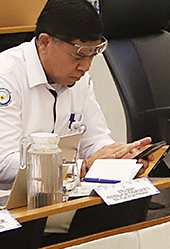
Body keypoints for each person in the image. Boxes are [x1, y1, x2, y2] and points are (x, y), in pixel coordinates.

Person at [0, 0, 150, 190]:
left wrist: (119, 156)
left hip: (62, 192)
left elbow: (95, 140)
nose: (86, 67)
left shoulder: (80, 79)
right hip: (11, 202)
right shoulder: (5, 77)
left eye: (92, 55)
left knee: (131, 197)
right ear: (45, 42)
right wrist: (81, 167)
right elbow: (3, 164)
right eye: (78, 56)